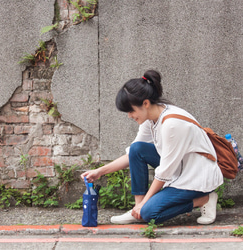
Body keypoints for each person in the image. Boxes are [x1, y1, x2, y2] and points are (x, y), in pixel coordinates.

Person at [81, 69, 223, 225]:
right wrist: (99, 172)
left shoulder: (172, 125)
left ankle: (204, 199)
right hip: (180, 168)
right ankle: (137, 209)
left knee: (150, 213)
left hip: (195, 176)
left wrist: (145, 204)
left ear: (146, 103)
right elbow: (132, 154)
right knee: (137, 149)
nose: (129, 116)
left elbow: (164, 172)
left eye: (131, 110)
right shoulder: (151, 118)